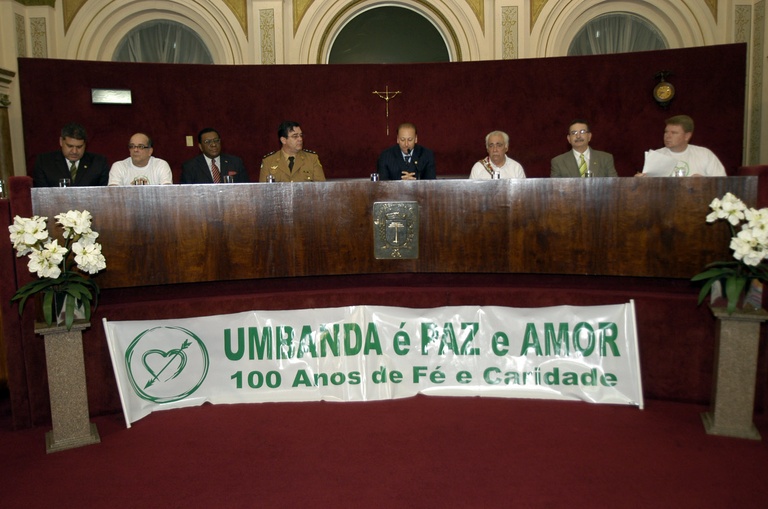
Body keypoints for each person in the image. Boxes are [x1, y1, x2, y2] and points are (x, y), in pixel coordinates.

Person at [32, 123, 110, 187]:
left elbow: (103, 196)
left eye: (79, 147)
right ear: (61, 141)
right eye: (70, 146)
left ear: (85, 144)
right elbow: (41, 196)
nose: (74, 151)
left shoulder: (99, 163)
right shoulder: (44, 162)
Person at [648, 114, 726, 177]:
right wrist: (640, 181)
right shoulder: (656, 155)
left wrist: (704, 183)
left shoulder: (705, 154)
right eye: (666, 132)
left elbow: (721, 183)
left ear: (687, 136)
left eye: (674, 133)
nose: (667, 136)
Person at [259, 121, 325, 182]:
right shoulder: (269, 161)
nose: (300, 139)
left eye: (301, 135)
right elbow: (264, 192)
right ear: (283, 140)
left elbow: (321, 189)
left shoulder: (312, 159)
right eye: (295, 136)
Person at [550, 119, 617, 178]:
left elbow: (615, 186)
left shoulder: (605, 158)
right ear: (569, 138)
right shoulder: (558, 162)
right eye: (574, 133)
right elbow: (555, 190)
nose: (578, 136)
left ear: (589, 136)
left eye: (582, 132)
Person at [181, 128, 248, 184]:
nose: (213, 144)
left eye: (216, 141)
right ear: (200, 146)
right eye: (208, 142)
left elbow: (245, 189)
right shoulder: (190, 167)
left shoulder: (235, 162)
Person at [108, 132, 173, 185]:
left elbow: (167, 194)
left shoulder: (161, 165)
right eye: (132, 146)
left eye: (140, 146)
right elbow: (113, 196)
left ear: (150, 151)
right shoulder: (119, 167)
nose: (135, 149)